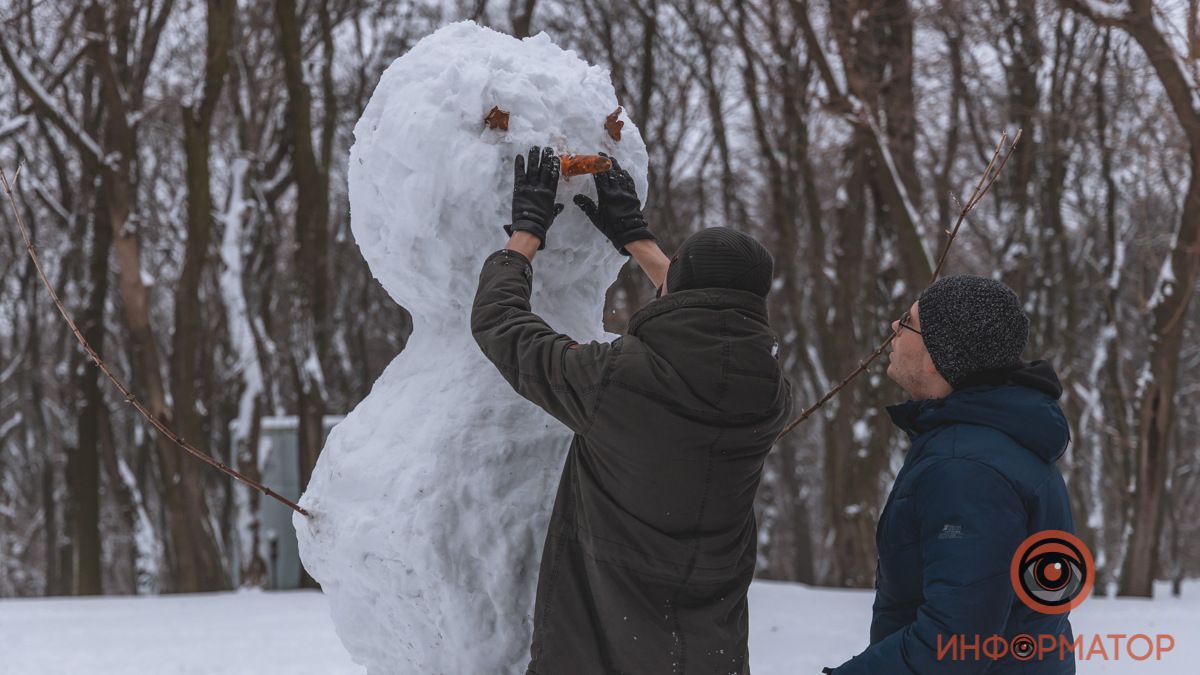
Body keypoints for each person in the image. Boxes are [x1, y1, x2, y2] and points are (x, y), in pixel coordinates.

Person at [471, 146, 792, 674]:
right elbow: (714, 318)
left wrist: (525, 234)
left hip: (606, 642)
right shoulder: (770, 393)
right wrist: (638, 240)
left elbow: (502, 327)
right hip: (706, 648)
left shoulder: (618, 380)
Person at [826, 276, 1076, 674]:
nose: (894, 327)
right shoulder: (992, 441)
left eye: (907, 323)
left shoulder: (967, 469)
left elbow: (956, 641)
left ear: (936, 357)